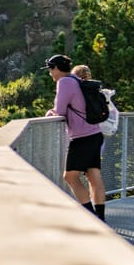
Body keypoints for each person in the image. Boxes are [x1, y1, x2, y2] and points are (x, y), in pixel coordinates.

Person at [45, 54, 106, 220]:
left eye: (50, 69)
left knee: (70, 177)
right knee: (94, 176)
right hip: (95, 134)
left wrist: (51, 113)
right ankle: (100, 218)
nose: (50, 73)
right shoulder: (75, 79)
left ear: (56, 68)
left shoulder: (64, 82)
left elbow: (60, 110)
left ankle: (91, 216)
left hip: (81, 138)